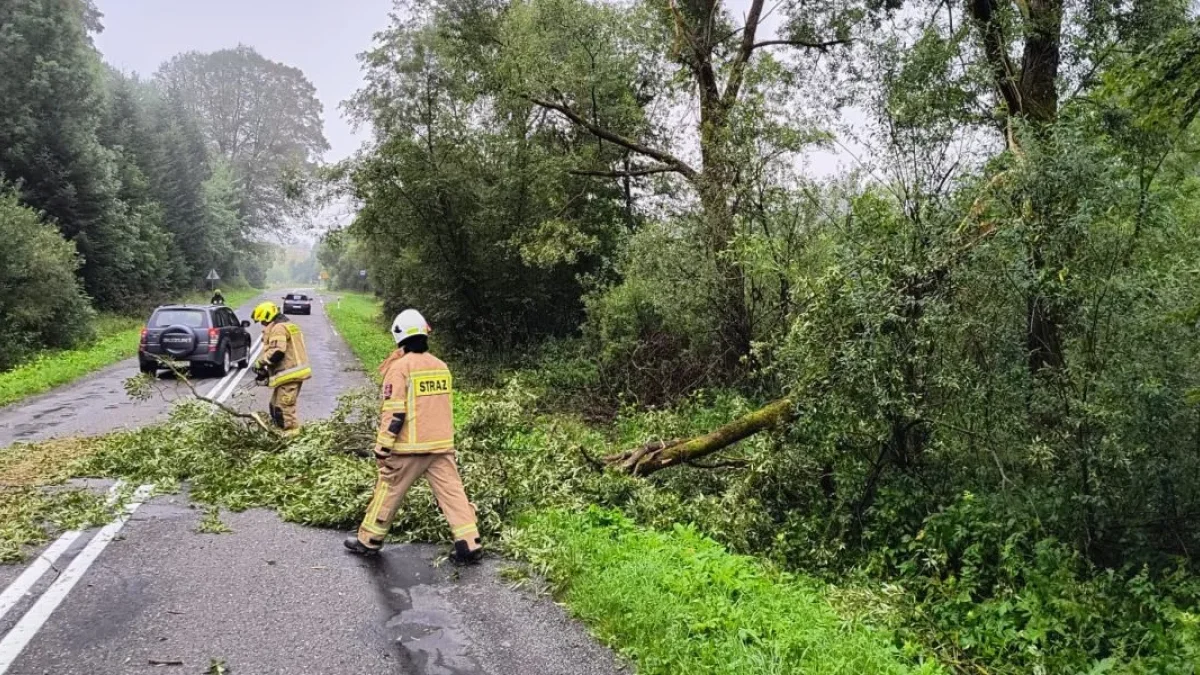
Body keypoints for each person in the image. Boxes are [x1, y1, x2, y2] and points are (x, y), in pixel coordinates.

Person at [344, 309, 482, 564]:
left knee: (388, 490)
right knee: (453, 494)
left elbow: (394, 412)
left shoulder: (400, 368)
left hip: (408, 448)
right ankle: (470, 543)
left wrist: (383, 446)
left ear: (399, 336)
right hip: (441, 445)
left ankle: (368, 540)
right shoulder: (441, 367)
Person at [251, 301, 311, 435]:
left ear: (267, 317)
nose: (262, 326)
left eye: (263, 322)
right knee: (274, 406)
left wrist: (260, 363)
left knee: (283, 409)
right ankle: (279, 433)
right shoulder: (289, 325)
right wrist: (267, 374)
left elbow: (278, 351)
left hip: (290, 374)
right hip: (290, 373)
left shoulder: (278, 328)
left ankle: (291, 439)